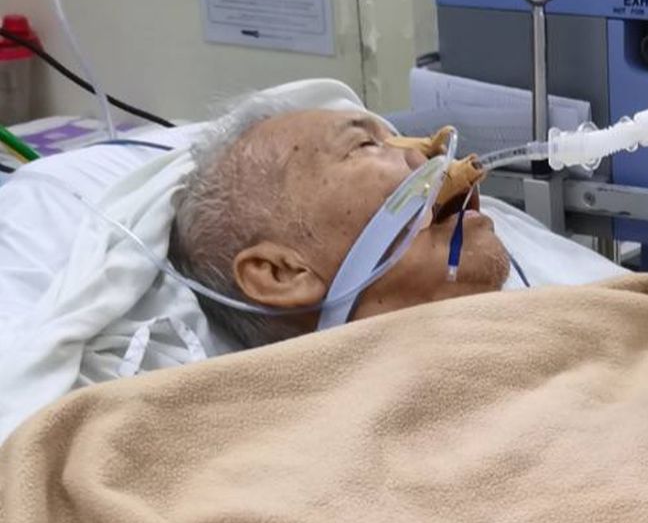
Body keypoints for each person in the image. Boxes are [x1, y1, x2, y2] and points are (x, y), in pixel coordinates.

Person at [169, 97, 620, 348]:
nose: (432, 154)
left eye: (399, 137)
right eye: (364, 145)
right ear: (281, 273)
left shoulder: (605, 330)